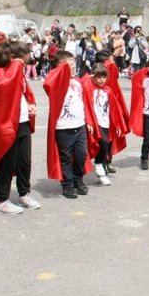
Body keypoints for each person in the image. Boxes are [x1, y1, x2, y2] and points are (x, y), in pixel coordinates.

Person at [0, 40, 40, 215]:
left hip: (22, 121)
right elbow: (4, 87)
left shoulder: (17, 73)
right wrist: (17, 65)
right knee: (7, 163)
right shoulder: (2, 73)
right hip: (7, 125)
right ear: (13, 58)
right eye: (22, 60)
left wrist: (30, 104)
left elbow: (23, 92)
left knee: (25, 162)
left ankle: (24, 194)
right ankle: (1, 200)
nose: (24, 63)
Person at [43, 51, 89, 199]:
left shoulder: (77, 81)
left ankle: (78, 179)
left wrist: (88, 121)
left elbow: (84, 102)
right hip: (63, 126)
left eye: (74, 62)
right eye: (69, 62)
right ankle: (67, 184)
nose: (73, 65)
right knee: (65, 157)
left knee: (81, 154)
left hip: (80, 124)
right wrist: (61, 70)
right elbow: (47, 84)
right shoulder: (55, 81)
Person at [81, 63, 127, 186]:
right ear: (93, 77)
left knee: (106, 145)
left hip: (106, 123)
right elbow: (82, 85)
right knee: (102, 142)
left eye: (103, 77)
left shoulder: (108, 91)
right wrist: (88, 78)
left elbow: (114, 109)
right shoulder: (90, 90)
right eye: (98, 77)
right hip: (96, 123)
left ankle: (101, 166)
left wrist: (117, 125)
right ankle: (99, 165)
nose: (101, 80)